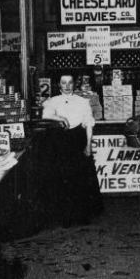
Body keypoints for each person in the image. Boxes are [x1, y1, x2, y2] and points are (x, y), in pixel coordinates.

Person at [39, 74, 102, 226]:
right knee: (61, 178)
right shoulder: (52, 101)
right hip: (60, 142)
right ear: (59, 85)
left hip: (77, 140)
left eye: (70, 82)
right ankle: (64, 216)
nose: (67, 86)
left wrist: (88, 145)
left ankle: (80, 216)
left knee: (79, 179)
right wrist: (61, 118)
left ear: (74, 84)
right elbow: (46, 114)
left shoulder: (82, 101)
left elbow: (88, 124)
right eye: (63, 83)